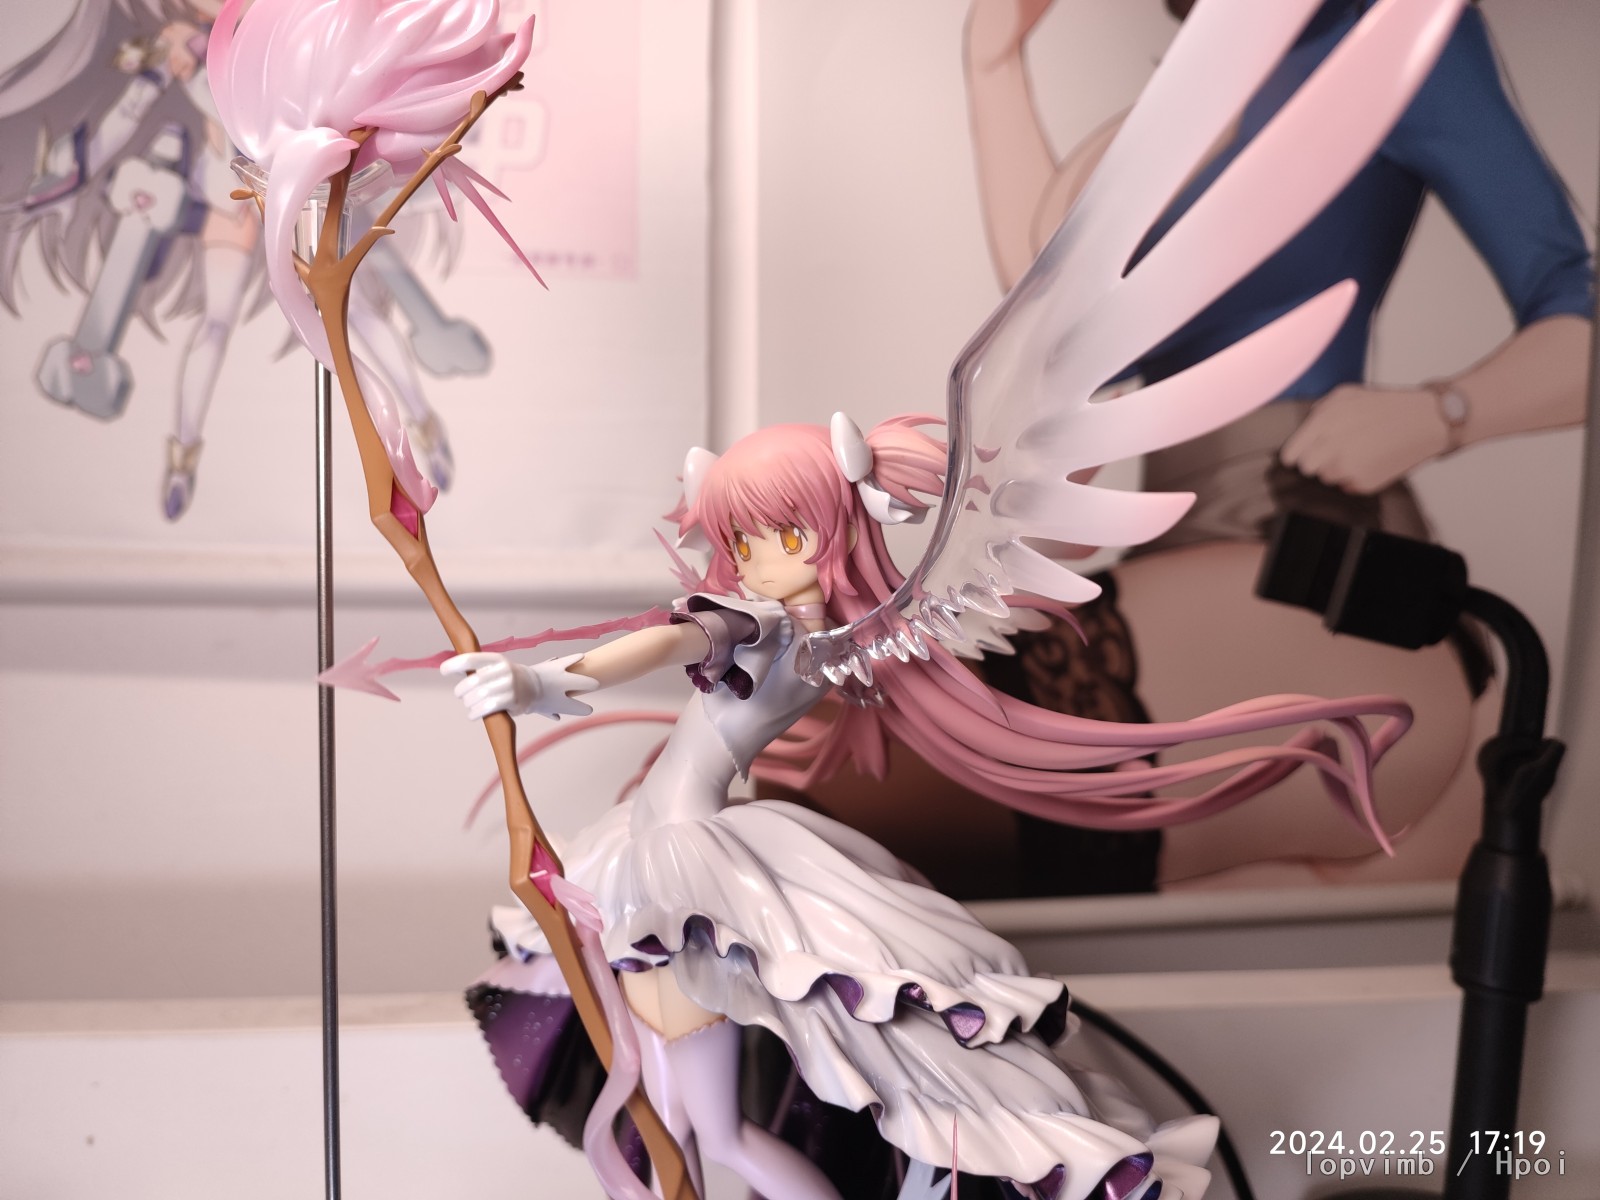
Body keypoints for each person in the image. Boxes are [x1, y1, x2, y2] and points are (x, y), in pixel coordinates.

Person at [444, 416, 1410, 1200]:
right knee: (692, 1126)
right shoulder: (832, 637)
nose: (753, 559)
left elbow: (657, 645)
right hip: (678, 850)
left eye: (780, 536)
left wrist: (538, 683)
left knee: (706, 1130)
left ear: (827, 534)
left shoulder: (766, 624)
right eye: (740, 539)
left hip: (683, 861)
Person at [787, 0, 1594, 896]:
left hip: (1313, 562)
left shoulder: (1398, 32)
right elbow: (1055, 297)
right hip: (1192, 554)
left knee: (833, 773)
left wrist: (1441, 414)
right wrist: (994, 66)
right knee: (791, 764)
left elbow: (1579, 316)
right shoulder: (1193, 85)